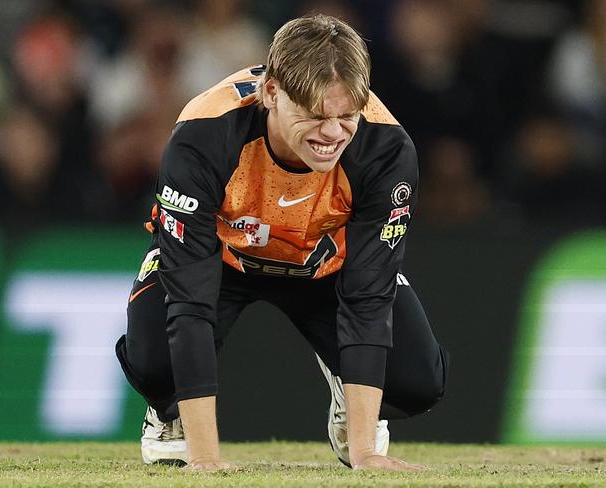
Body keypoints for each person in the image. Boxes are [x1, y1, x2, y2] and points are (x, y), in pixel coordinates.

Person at [115, 14, 448, 472]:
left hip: (327, 265)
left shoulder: (386, 148)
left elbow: (368, 298)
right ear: (271, 93)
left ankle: (350, 410)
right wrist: (206, 458)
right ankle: (170, 415)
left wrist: (366, 451)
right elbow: (189, 301)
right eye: (314, 115)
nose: (333, 134)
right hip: (222, 258)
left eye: (346, 115)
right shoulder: (204, 135)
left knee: (416, 382)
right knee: (156, 362)